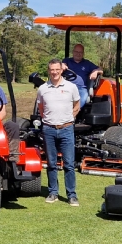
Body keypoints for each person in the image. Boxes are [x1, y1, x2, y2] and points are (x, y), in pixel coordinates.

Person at [36, 59, 81, 206]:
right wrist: (49, 121)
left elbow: (77, 106)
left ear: (61, 70)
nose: (54, 72)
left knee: (69, 164)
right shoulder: (42, 88)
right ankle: (53, 192)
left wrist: (69, 118)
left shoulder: (71, 87)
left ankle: (71, 195)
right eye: (52, 70)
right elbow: (41, 108)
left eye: (57, 69)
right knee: (51, 163)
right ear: (48, 71)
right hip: (49, 129)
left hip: (66, 129)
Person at [63, 43, 102, 107]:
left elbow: (101, 69)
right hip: (67, 87)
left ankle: (74, 112)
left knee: (82, 98)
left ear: (83, 53)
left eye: (80, 52)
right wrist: (62, 65)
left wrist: (96, 71)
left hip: (81, 88)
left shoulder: (87, 63)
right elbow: (60, 65)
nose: (78, 54)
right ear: (73, 52)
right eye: (76, 51)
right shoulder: (67, 61)